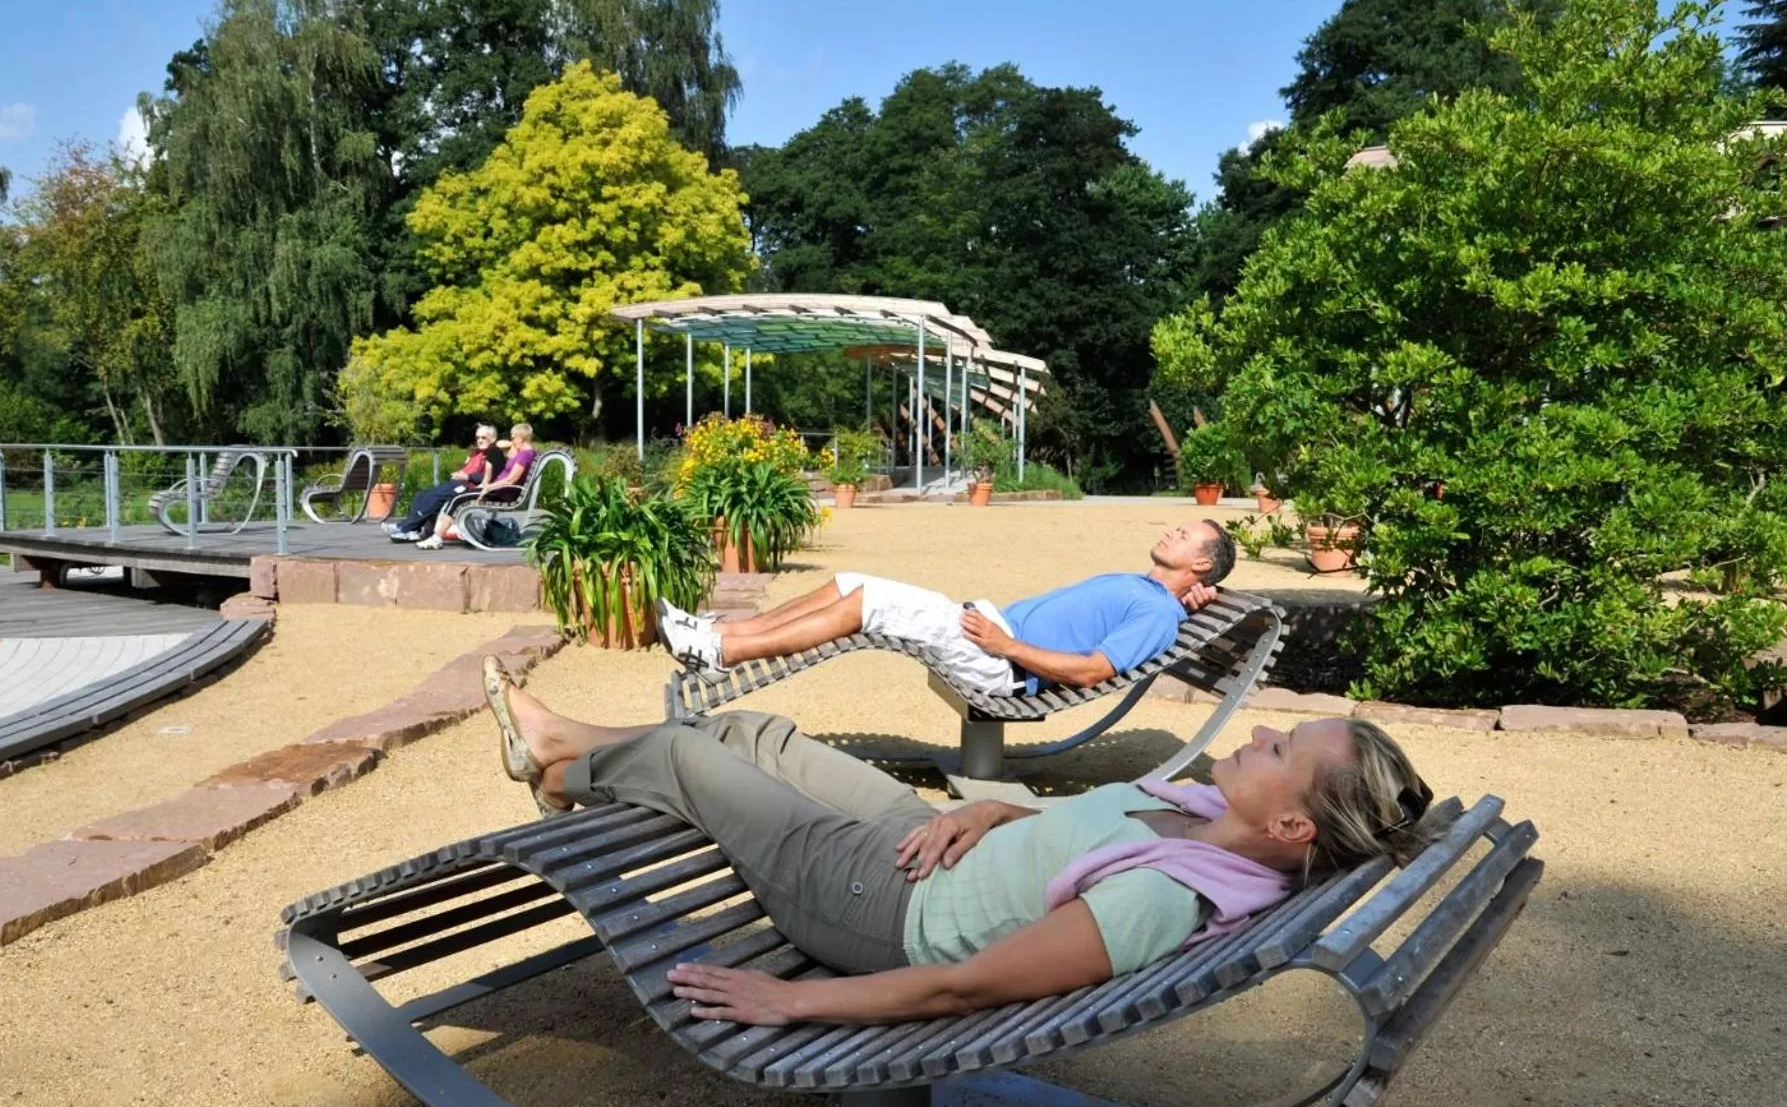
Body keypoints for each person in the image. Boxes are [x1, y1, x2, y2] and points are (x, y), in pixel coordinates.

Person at [480, 656, 1436, 1028]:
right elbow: (1075, 837)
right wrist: (993, 811)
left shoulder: (1165, 898)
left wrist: (789, 1003)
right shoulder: (1198, 808)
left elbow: (965, 985)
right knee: (757, 733)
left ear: (1292, 827)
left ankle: (558, 761)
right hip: (928, 842)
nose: (1261, 733)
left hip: (882, 908)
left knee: (692, 751)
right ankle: (561, 763)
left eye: (1283, 750)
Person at [657, 520, 1236, 694]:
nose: (1172, 531)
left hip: (1002, 663)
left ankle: (722, 652)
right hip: (993, 633)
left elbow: (1093, 671)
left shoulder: (1157, 614)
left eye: (1186, 535)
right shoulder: (1157, 598)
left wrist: (1005, 645)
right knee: (852, 580)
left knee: (871, 602)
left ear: (1202, 563)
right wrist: (1190, 602)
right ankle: (727, 632)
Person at [415, 423, 539, 550]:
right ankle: (443, 535)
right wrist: (511, 443)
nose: (511, 441)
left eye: (513, 438)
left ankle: (436, 538)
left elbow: (511, 480)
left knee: (457, 499)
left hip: (500, 493)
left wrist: (489, 487)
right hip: (499, 490)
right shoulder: (524, 452)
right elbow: (501, 444)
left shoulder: (524, 455)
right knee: (457, 497)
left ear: (520, 438)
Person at [386, 424, 505, 543]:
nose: (479, 440)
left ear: (493, 439)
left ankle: (406, 528)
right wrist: (460, 473)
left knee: (435, 497)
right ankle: (410, 527)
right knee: (422, 494)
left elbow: (490, 477)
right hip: (460, 483)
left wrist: (467, 476)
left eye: (483, 438)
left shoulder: (494, 454)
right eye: (478, 437)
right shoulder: (477, 453)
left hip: (470, 487)